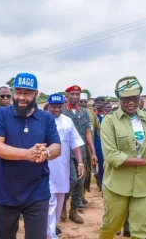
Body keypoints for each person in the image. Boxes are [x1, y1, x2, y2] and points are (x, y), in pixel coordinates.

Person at [0, 72, 61, 239]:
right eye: (18, 92)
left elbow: (57, 147)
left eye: (27, 93)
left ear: (36, 94)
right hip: (5, 191)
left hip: (37, 191)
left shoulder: (46, 118)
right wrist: (28, 154)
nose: (21, 97)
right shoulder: (1, 115)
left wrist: (46, 152)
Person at [99, 76, 146, 238]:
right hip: (117, 185)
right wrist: (143, 161)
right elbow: (111, 155)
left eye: (134, 97)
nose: (130, 102)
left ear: (140, 97)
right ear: (118, 98)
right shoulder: (109, 121)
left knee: (143, 231)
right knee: (111, 226)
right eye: (125, 98)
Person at [46, 93, 85, 239]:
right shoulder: (42, 120)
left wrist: (80, 162)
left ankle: (52, 228)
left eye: (58, 107)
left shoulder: (68, 121)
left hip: (62, 169)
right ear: (48, 106)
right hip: (46, 169)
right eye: (53, 107)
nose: (56, 110)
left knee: (60, 199)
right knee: (50, 202)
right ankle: (49, 234)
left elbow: (75, 143)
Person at [61, 85, 98, 224]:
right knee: (72, 179)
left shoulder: (84, 112)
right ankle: (62, 204)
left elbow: (88, 133)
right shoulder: (62, 110)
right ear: (67, 95)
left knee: (80, 182)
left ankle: (73, 210)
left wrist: (93, 152)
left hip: (81, 152)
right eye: (73, 94)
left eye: (78, 94)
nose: (76, 97)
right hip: (66, 152)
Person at [79, 93, 100, 194]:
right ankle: (79, 198)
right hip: (77, 148)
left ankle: (82, 196)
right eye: (81, 101)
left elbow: (98, 129)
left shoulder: (92, 114)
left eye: (84, 102)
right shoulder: (71, 113)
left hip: (89, 147)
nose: (83, 103)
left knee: (87, 170)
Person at [92, 96, 107, 190]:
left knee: (106, 163)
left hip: (107, 142)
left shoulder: (108, 116)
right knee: (101, 163)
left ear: (104, 104)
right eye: (97, 102)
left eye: (100, 102)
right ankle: (101, 182)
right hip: (97, 143)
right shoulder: (93, 116)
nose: (98, 104)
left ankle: (100, 177)